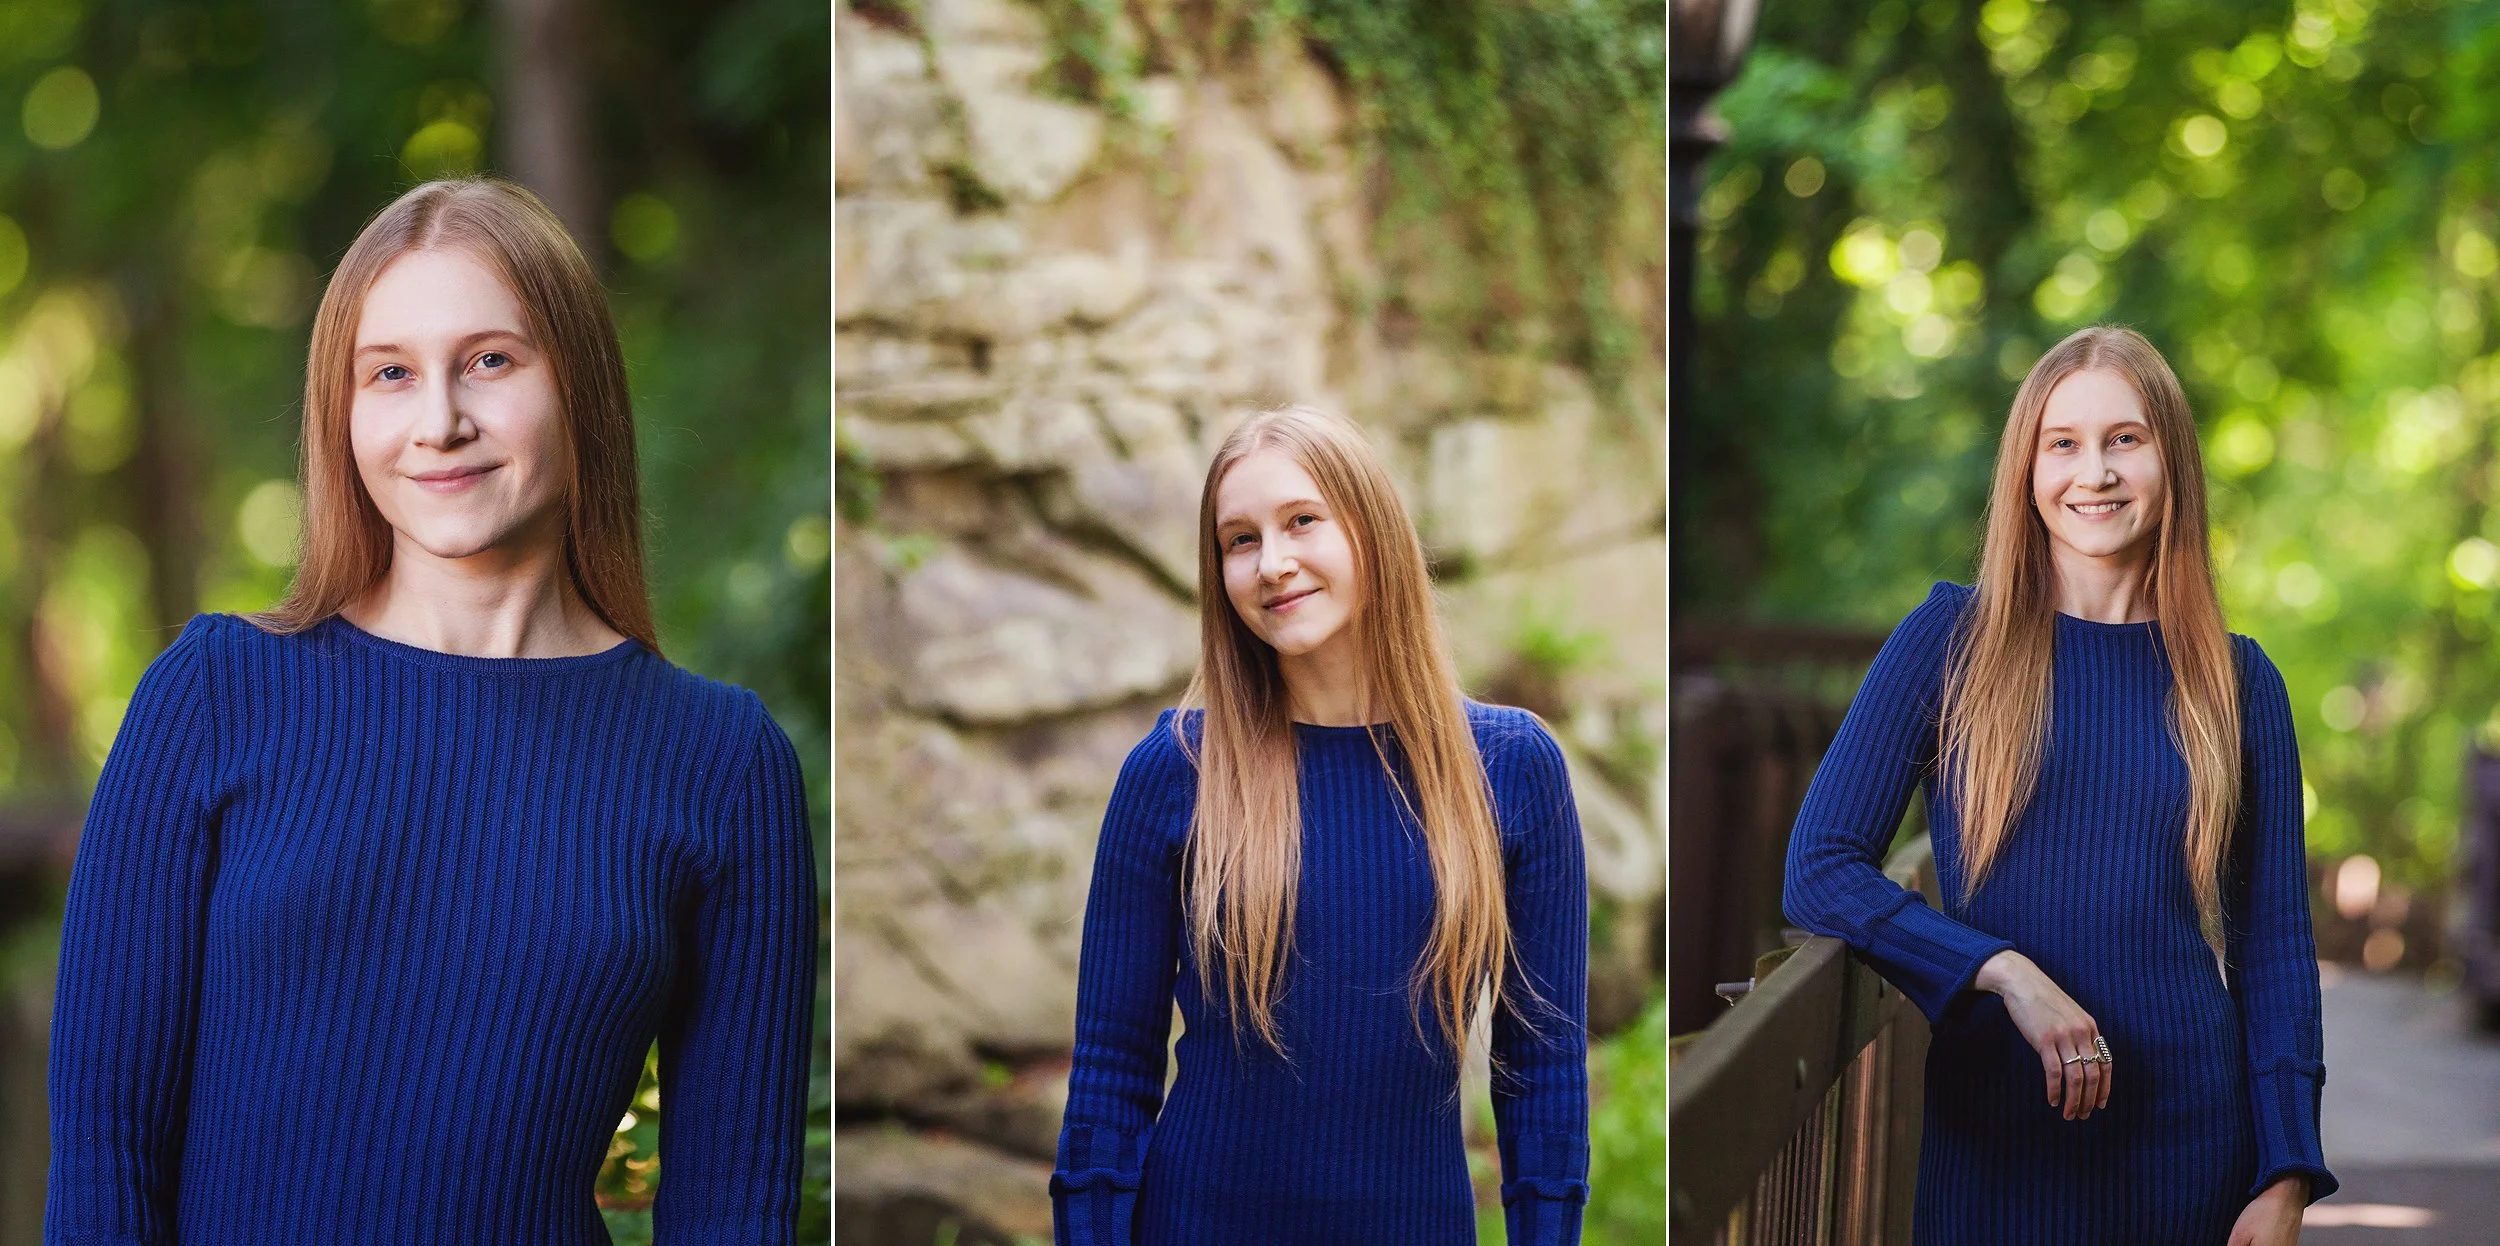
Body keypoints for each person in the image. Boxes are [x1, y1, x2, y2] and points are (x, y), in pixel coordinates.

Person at [45, 178, 818, 1243]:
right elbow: (103, 1155)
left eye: (491, 361)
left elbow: (735, 1205)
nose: (440, 422)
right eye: (392, 374)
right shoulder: (215, 696)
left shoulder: (721, 763)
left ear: (579, 386)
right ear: (345, 410)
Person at [1782, 324, 2334, 1245]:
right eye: (2063, 444)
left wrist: (2287, 1174)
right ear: (2026, 470)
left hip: (2193, 1154)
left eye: (2126, 439)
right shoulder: (1951, 645)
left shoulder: (2239, 684)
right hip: (1997, 1143)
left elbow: (2274, 945)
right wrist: (2000, 971)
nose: (2097, 473)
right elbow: (1821, 867)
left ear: (2171, 461)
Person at [1049, 405, 1592, 1244]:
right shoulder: (1173, 773)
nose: (1274, 563)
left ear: (1371, 532)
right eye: (1240, 539)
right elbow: (1112, 1074)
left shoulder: (1511, 768)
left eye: (1303, 521)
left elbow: (1543, 1073)